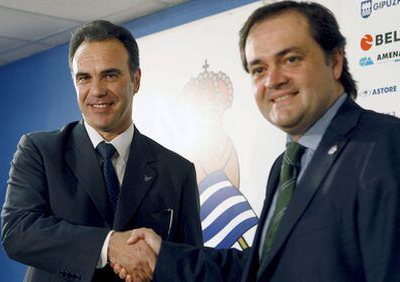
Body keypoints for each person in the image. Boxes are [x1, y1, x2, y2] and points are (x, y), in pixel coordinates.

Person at [115, 1, 400, 281]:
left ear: (335, 61)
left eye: (290, 59)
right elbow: (258, 267)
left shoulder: (387, 146)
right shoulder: (286, 165)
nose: (273, 80)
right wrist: (164, 255)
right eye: (259, 69)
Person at [1, 20, 203, 282]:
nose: (96, 90)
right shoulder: (39, 151)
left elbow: (190, 265)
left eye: (110, 75)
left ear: (136, 79)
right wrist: (108, 245)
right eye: (84, 77)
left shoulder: (176, 171)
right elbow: (18, 232)